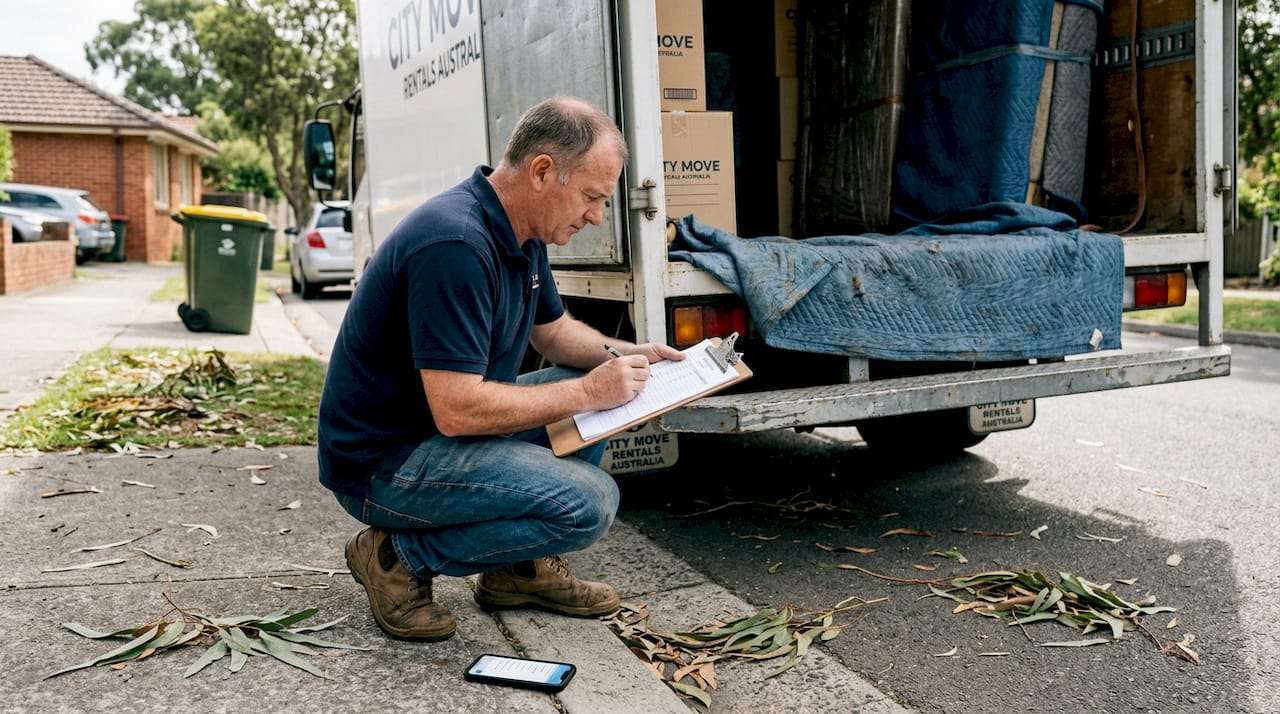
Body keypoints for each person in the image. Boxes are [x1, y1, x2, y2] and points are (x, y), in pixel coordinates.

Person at [317, 96, 684, 642]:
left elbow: (554, 333)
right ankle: (396, 556)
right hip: (383, 463)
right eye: (590, 197)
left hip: (432, 435)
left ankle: (517, 572)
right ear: (542, 171)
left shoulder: (521, 231)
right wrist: (590, 391)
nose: (595, 217)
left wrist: (626, 356)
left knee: (577, 389)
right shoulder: (455, 244)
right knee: (589, 501)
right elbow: (458, 409)